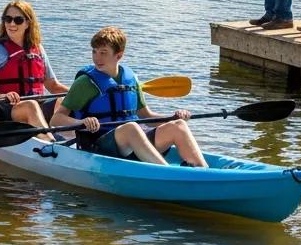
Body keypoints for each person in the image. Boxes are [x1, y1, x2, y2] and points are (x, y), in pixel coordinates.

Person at [51, 26, 207, 167]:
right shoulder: (85, 83)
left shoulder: (130, 79)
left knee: (178, 126)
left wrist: (172, 117)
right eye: (94, 51)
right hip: (100, 146)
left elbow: (147, 116)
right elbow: (56, 119)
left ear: (118, 55)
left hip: (133, 145)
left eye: (103, 53)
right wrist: (81, 122)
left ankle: (203, 172)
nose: (97, 58)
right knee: (131, 128)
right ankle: (167, 172)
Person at [0, 0, 71, 136]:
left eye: (18, 20)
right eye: (7, 19)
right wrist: (2, 96)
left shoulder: (38, 49)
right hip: (7, 109)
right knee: (30, 105)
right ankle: (50, 142)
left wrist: (78, 94)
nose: (12, 24)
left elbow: (53, 86)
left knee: (64, 101)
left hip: (37, 106)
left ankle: (73, 142)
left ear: (28, 23)